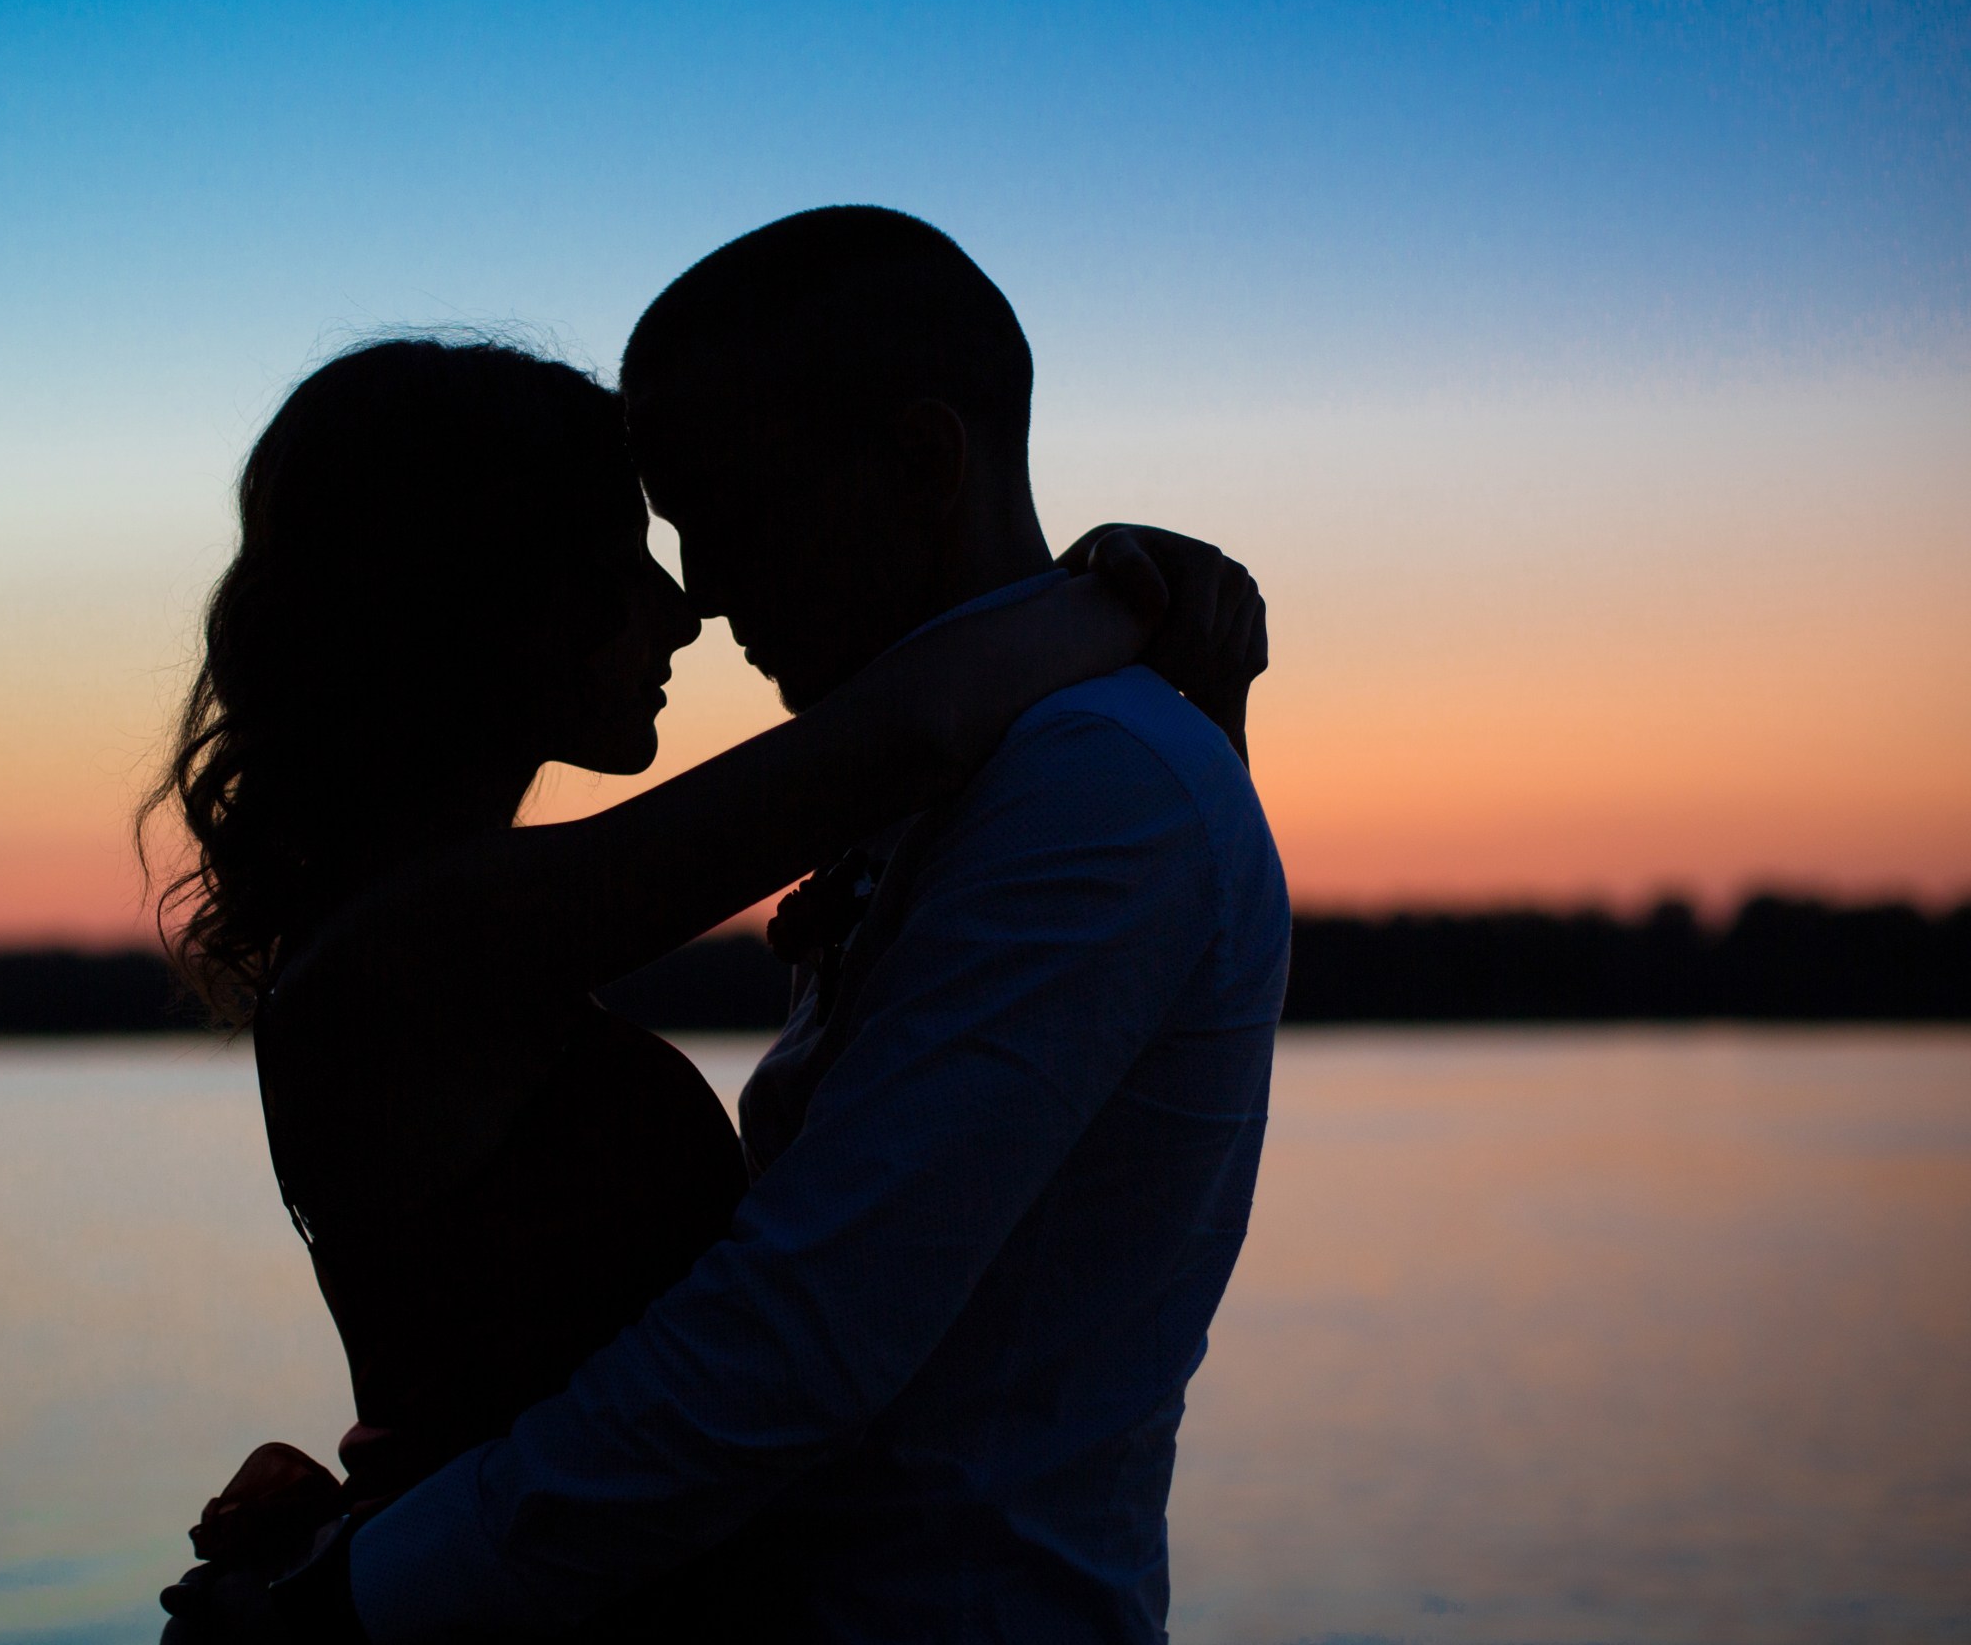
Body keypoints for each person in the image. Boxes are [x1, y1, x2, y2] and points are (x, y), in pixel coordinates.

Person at [171, 207, 1289, 1642]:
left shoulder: (1085, 786)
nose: (687, 598)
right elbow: (919, 724)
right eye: (630, 545)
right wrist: (1118, 598)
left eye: (719, 515)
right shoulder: (432, 938)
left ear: (921, 461)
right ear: (470, 601)